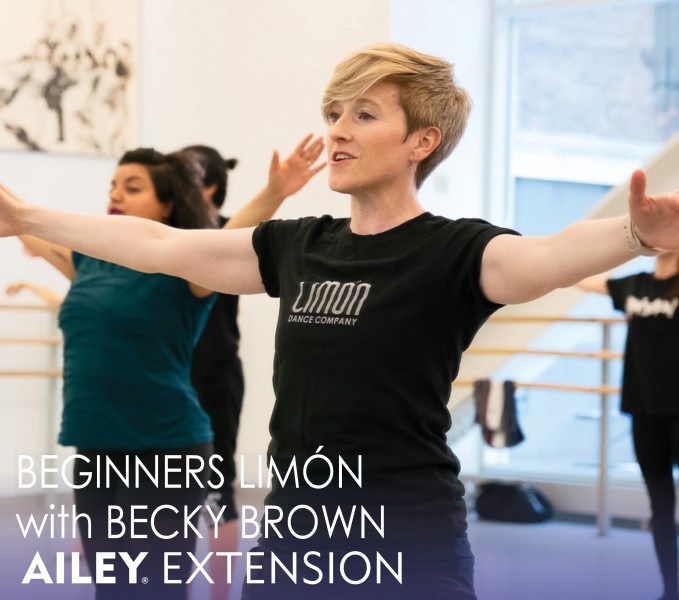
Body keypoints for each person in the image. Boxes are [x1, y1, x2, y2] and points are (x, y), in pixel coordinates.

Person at [3, 42, 679, 599]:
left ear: (422, 140)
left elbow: (551, 258)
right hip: (294, 535)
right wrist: (27, 217)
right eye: (333, 113)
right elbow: (160, 247)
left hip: (406, 536)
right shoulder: (298, 245)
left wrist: (636, 235)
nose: (336, 131)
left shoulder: (452, 251)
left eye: (362, 115)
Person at [8, 137, 324, 600]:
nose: (115, 194)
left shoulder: (185, 267)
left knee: (153, 590)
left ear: (166, 205)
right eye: (113, 184)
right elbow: (18, 218)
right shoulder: (87, 262)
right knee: (110, 588)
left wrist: (275, 192)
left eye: (132, 187)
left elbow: (229, 235)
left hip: (164, 453)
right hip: (96, 451)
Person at [579, 252, 679, 600]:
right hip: (643, 410)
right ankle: (671, 588)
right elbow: (583, 276)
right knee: (660, 506)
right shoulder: (634, 284)